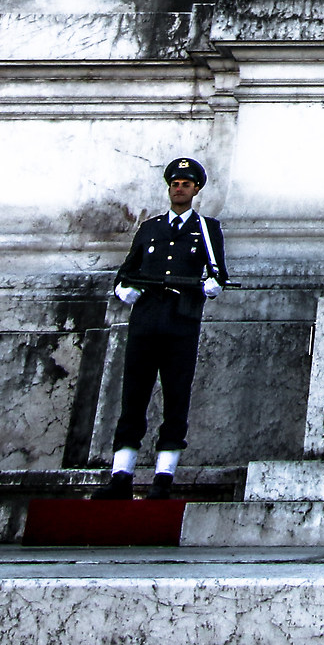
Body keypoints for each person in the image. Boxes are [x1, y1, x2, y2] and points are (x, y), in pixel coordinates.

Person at [94, 156, 227, 500]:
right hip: (147, 318)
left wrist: (211, 286)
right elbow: (127, 270)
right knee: (134, 394)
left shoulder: (207, 229)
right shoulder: (151, 228)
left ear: (196, 189)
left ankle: (163, 476)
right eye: (175, 183)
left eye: (185, 184)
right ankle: (121, 473)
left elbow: (217, 272)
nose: (179, 188)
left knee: (176, 395)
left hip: (182, 319)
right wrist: (124, 289)